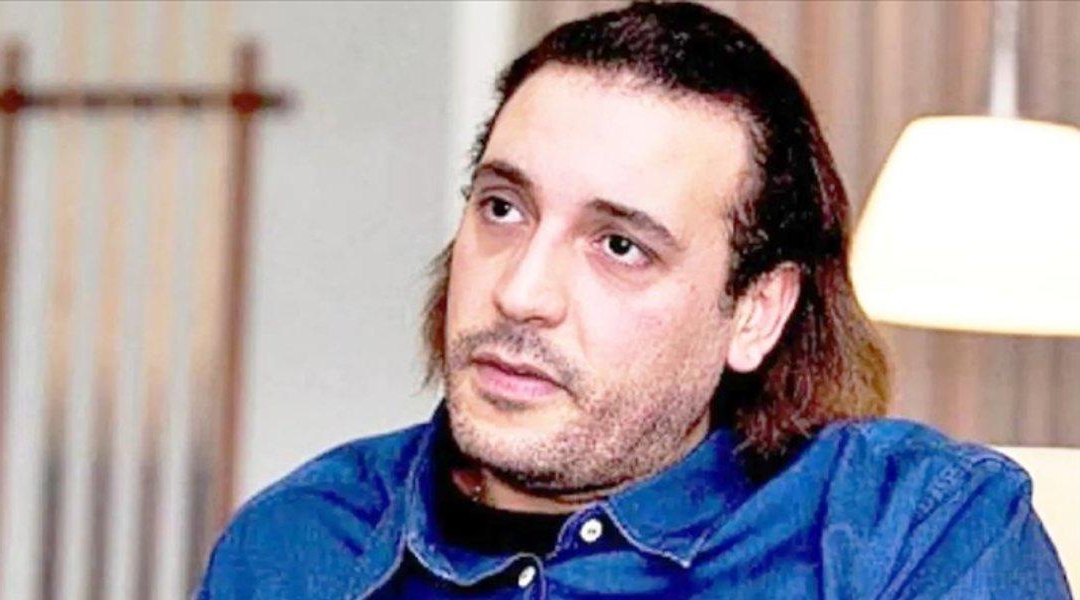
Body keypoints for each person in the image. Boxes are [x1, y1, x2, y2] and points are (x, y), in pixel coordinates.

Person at [197, 2, 1071, 598]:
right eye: (503, 208)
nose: (520, 291)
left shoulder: (913, 534)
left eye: (620, 246)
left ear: (757, 311)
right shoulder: (298, 546)